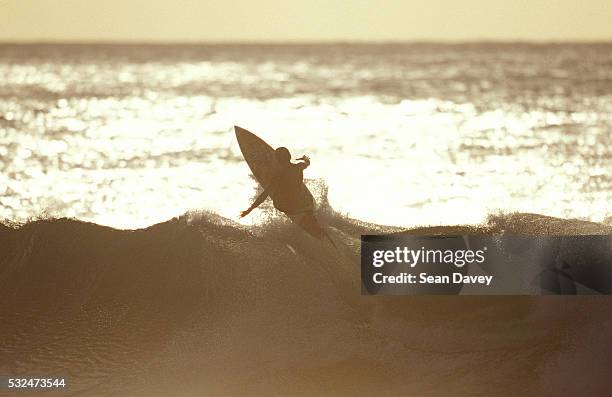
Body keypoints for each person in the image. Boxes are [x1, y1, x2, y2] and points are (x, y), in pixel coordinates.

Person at [240, 147, 313, 220]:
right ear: (289, 156)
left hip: (285, 207)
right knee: (302, 197)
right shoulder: (299, 166)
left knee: (277, 190)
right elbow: (307, 163)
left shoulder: (278, 176)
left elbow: (265, 194)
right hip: (299, 204)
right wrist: (305, 158)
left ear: (278, 160)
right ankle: (308, 214)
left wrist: (249, 210)